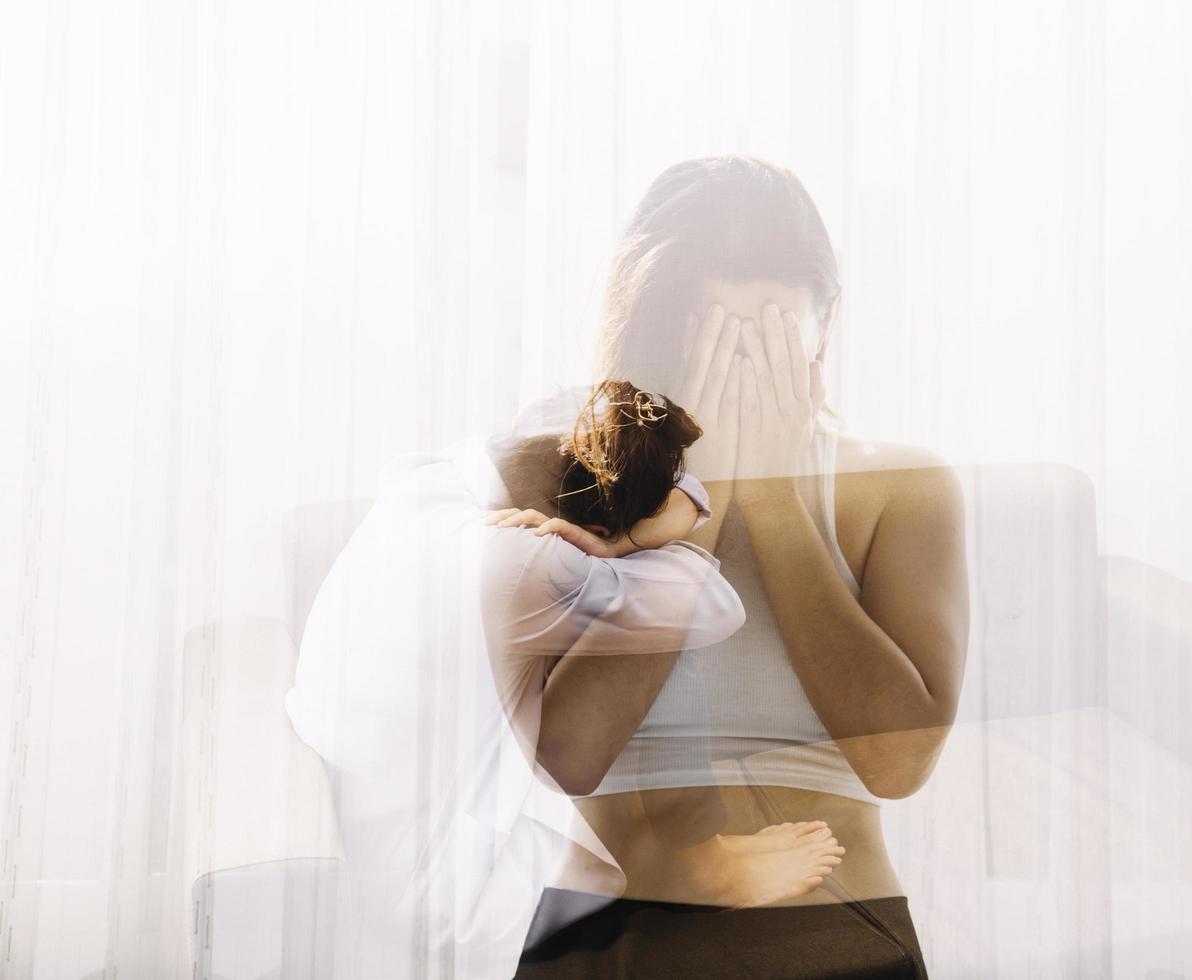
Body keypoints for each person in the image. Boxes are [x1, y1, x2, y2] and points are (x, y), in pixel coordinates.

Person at [510, 157, 971, 979]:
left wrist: (775, 497)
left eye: (769, 337)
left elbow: (897, 765)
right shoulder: (558, 474)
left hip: (828, 931)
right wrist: (702, 495)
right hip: (615, 935)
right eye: (716, 338)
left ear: (821, 331)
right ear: (657, 338)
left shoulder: (900, 486)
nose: (743, 368)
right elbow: (570, 754)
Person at [286, 377, 841, 979]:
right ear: (584, 533)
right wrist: (635, 542)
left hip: (386, 818)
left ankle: (691, 855)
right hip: (451, 895)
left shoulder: (432, 482)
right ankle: (694, 874)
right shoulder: (524, 558)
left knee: (578, 699)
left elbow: (551, 411)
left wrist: (639, 506)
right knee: (652, 625)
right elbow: (713, 604)